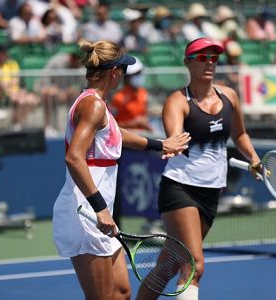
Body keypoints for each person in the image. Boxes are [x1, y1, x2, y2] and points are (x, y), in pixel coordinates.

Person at [52, 39, 191, 299]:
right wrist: (100, 208)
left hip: (96, 210)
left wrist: (159, 144)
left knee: (122, 292)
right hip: (87, 211)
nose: (125, 76)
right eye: (124, 70)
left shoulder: (97, 103)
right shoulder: (93, 105)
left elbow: (117, 133)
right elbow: (74, 158)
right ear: (114, 72)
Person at [136, 37, 261, 300]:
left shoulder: (230, 96)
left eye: (213, 58)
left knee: (166, 267)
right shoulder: (177, 101)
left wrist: (253, 158)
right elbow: (174, 134)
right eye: (202, 58)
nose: (209, 63)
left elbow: (240, 134)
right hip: (180, 188)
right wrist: (173, 144)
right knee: (194, 265)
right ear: (187, 63)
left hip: (211, 192)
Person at [111, 56, 152, 132]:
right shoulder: (118, 98)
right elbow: (112, 125)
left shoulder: (143, 92)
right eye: (136, 74)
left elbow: (145, 116)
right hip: (125, 138)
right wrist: (132, 124)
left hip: (143, 136)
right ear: (127, 77)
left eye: (140, 73)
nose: (139, 76)